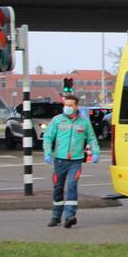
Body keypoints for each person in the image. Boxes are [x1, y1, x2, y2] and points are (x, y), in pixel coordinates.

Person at [43, 94, 100, 229]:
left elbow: (91, 138)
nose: (67, 107)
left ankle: (70, 216)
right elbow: (48, 137)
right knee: (58, 188)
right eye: (66, 105)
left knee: (72, 185)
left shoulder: (84, 122)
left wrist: (96, 152)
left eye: (70, 105)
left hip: (76, 161)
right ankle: (56, 216)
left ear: (76, 106)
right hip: (60, 161)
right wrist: (47, 153)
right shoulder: (57, 120)